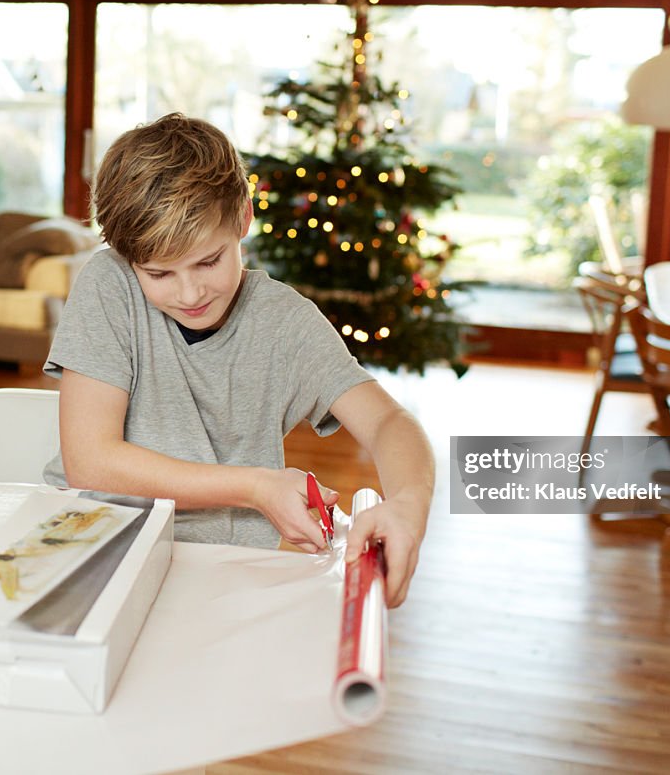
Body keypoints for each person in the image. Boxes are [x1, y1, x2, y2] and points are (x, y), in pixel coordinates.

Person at [42, 113, 434, 607]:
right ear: (127, 257)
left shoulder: (286, 325)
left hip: (220, 580)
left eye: (209, 261)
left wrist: (410, 505)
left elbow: (389, 422)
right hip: (91, 555)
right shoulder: (109, 284)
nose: (190, 293)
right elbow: (90, 463)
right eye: (160, 273)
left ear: (244, 218)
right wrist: (257, 487)